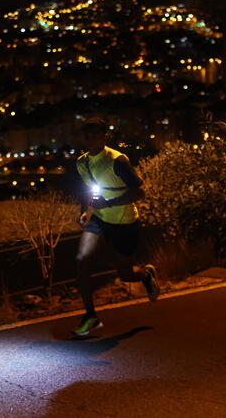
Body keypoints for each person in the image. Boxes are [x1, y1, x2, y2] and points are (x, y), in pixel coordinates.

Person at [71, 117, 159, 337]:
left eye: (95, 134)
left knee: (126, 274)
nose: (90, 138)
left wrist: (109, 203)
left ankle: (146, 275)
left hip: (123, 222)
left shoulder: (116, 160)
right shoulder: (81, 162)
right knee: (82, 261)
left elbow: (139, 192)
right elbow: (88, 190)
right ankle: (90, 315)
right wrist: (85, 211)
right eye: (87, 134)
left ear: (104, 136)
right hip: (99, 220)